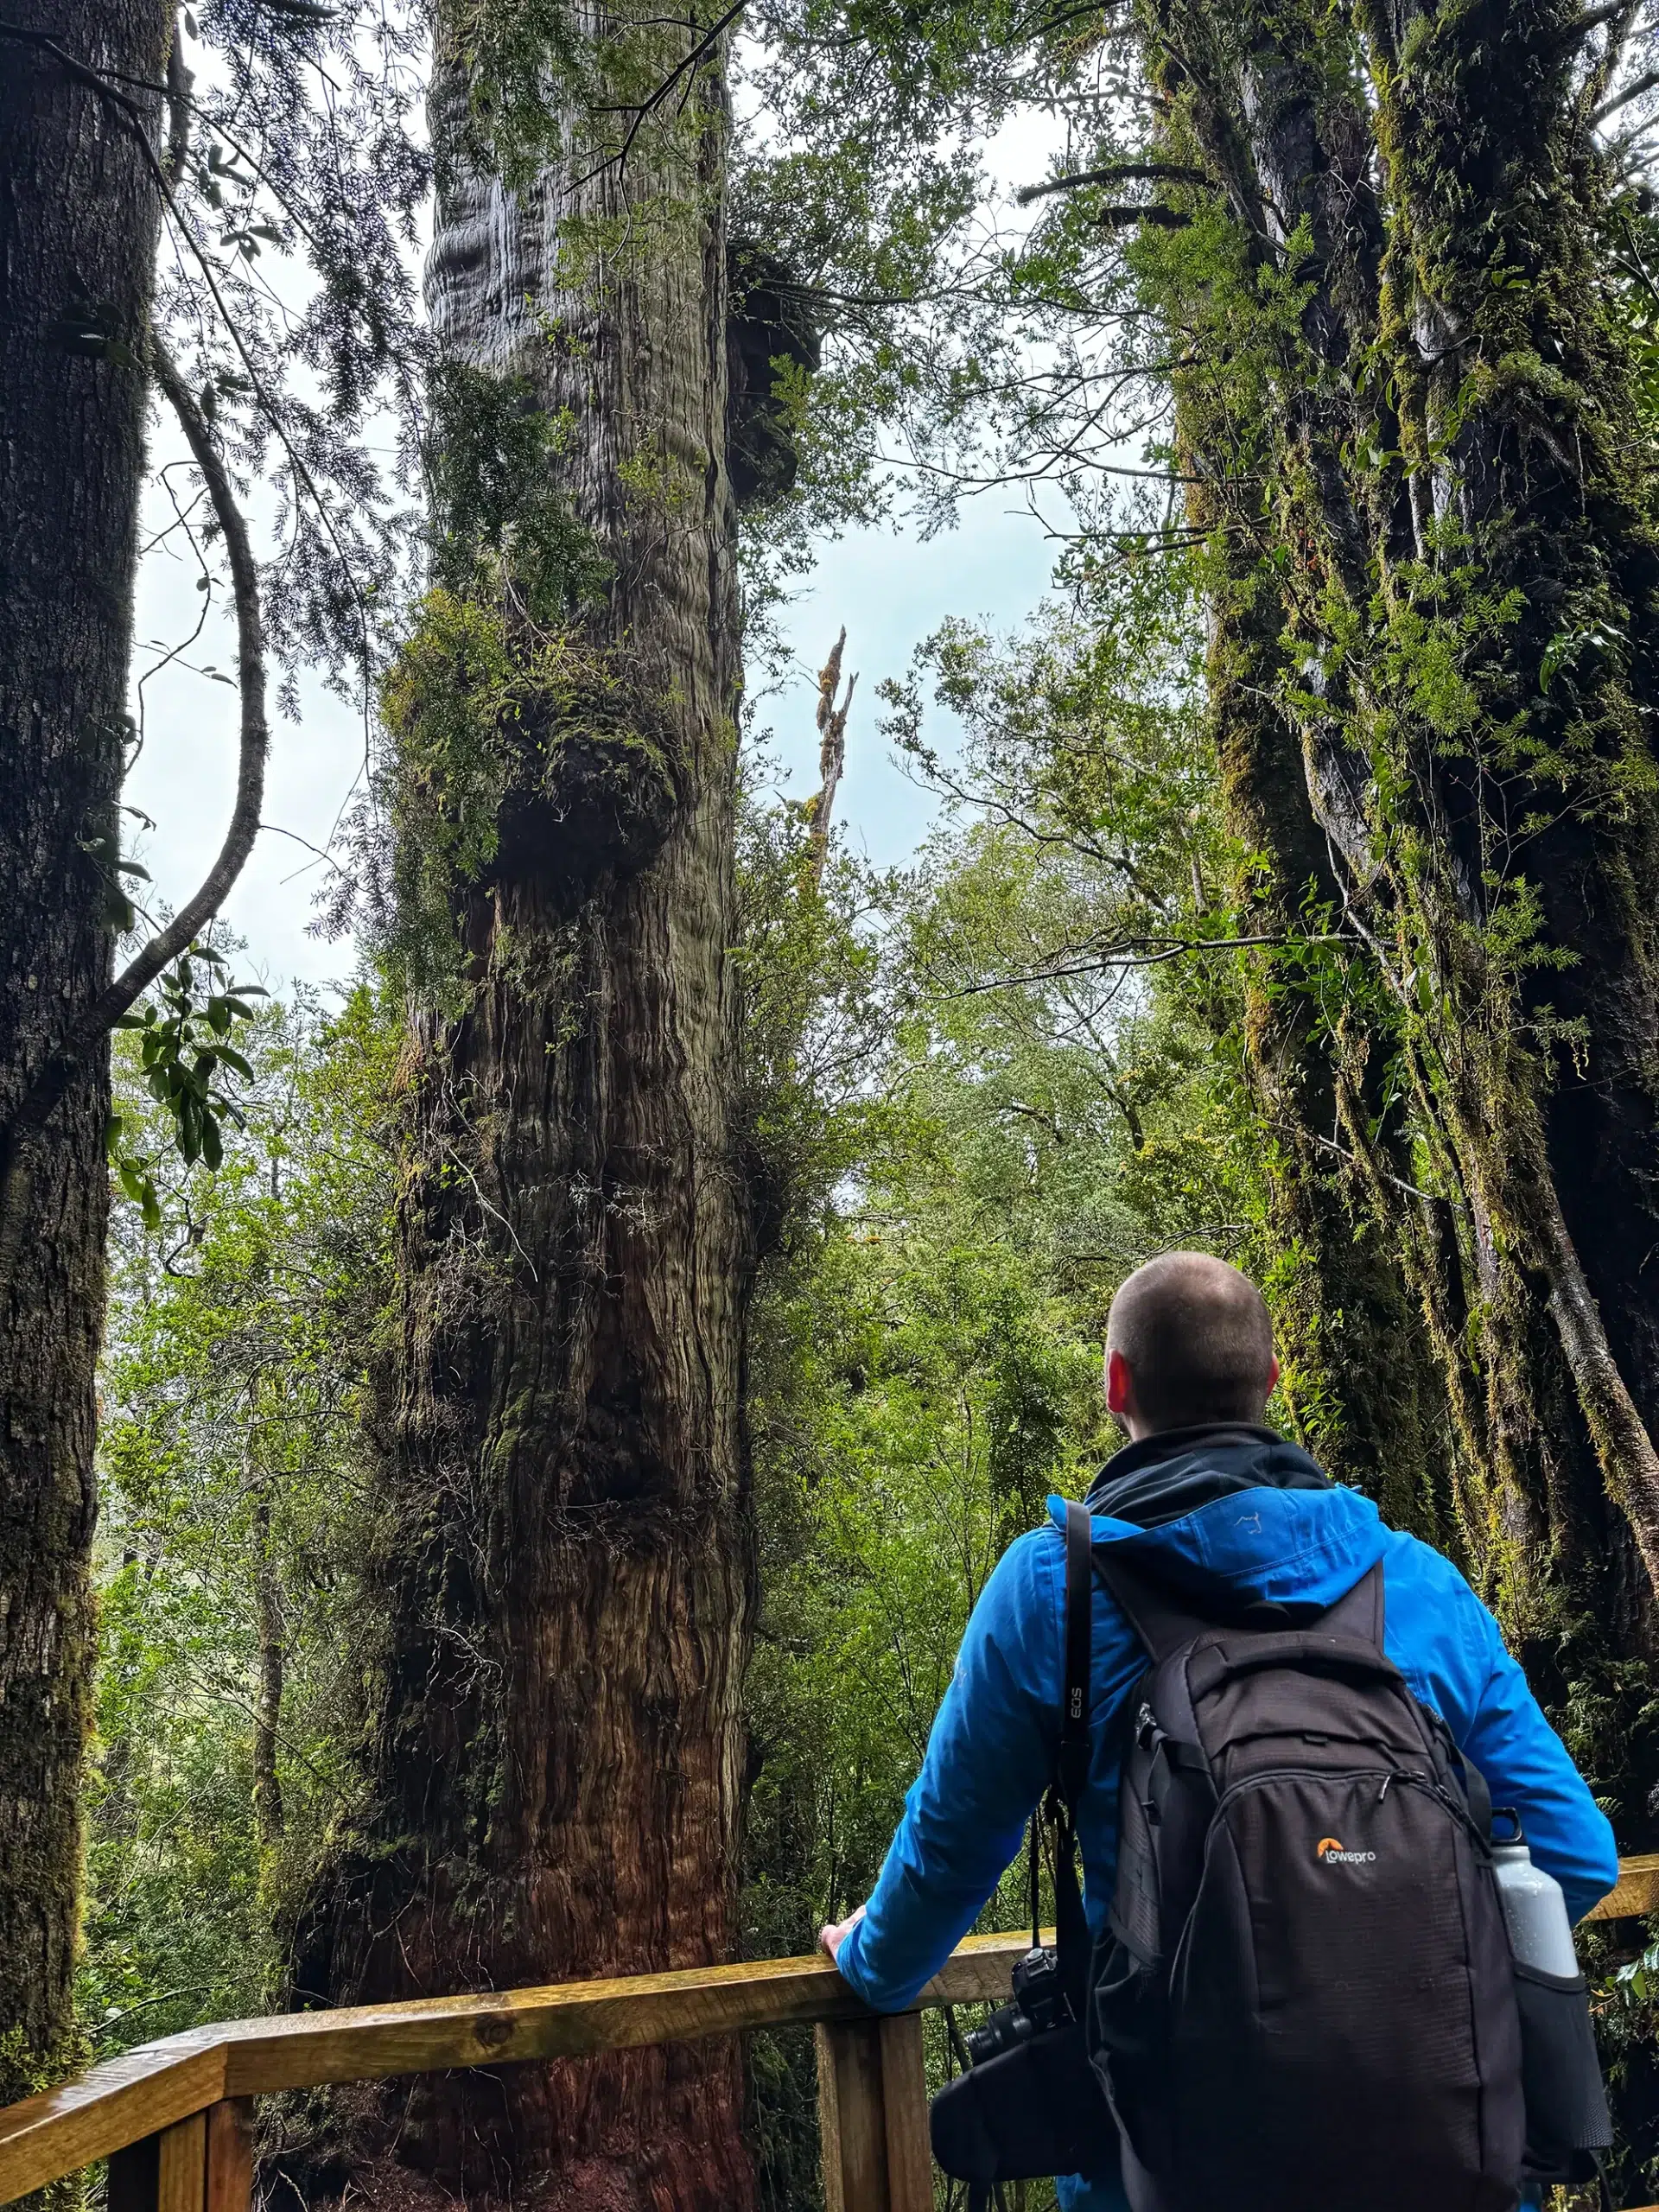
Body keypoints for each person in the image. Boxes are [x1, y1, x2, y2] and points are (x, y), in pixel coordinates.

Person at [817, 1250, 1619, 2212]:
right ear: (1271, 1383)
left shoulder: (1055, 1590)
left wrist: (869, 1959)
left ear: (1116, 1383)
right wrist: (1391, 1990)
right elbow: (1574, 1854)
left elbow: (951, 1852)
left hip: (1170, 2167)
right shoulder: (1413, 1580)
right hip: (1439, 2159)